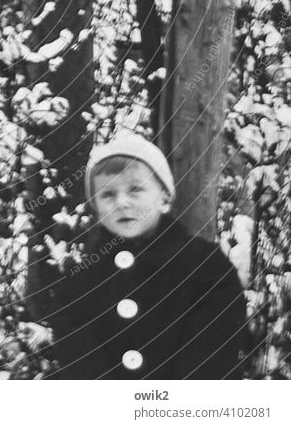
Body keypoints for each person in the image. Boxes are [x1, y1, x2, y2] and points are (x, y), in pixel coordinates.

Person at [45, 130, 248, 379]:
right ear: (97, 209)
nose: (121, 202)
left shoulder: (206, 268)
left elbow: (211, 359)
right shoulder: (81, 282)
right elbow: (81, 365)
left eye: (135, 190)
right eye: (107, 194)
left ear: (164, 199)